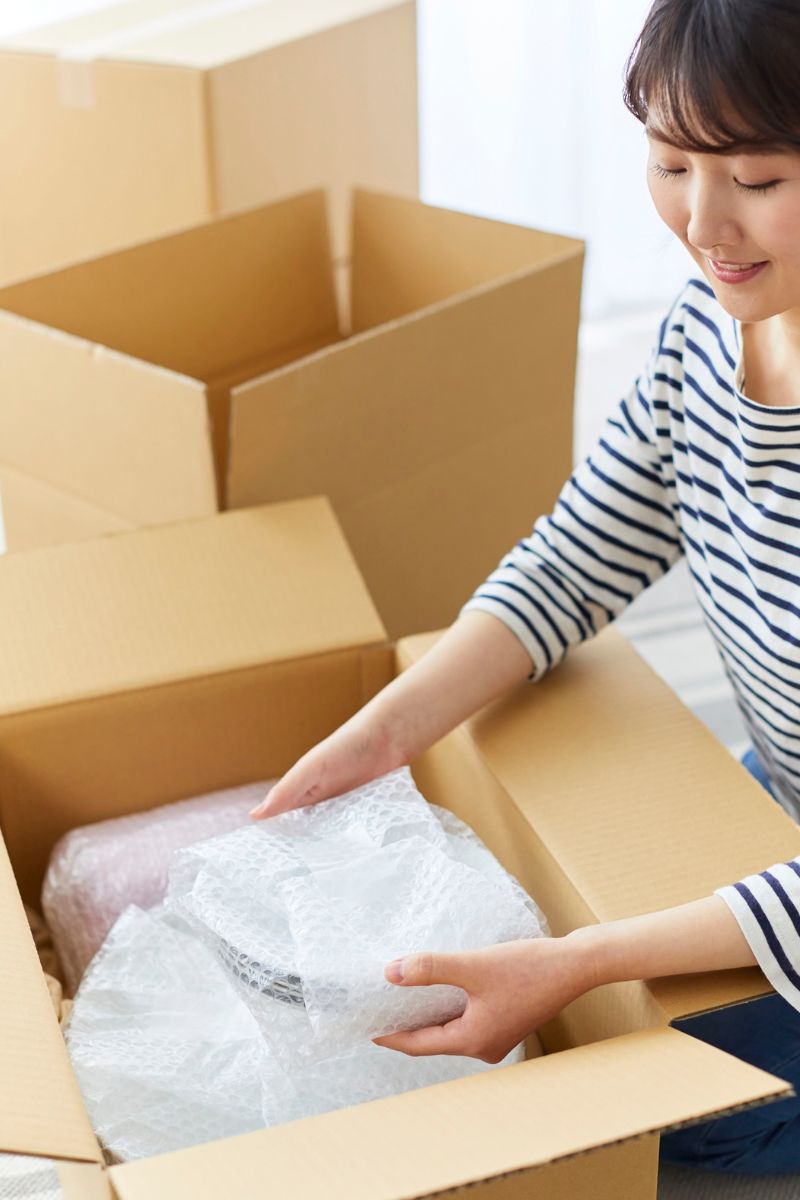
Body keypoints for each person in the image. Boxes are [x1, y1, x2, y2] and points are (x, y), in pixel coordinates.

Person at [251, 0, 800, 1176]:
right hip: (780, 811)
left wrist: (583, 963)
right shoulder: (706, 331)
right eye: (668, 164)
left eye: (755, 176)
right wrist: (374, 737)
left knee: (670, 1129)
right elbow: (572, 558)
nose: (702, 223)